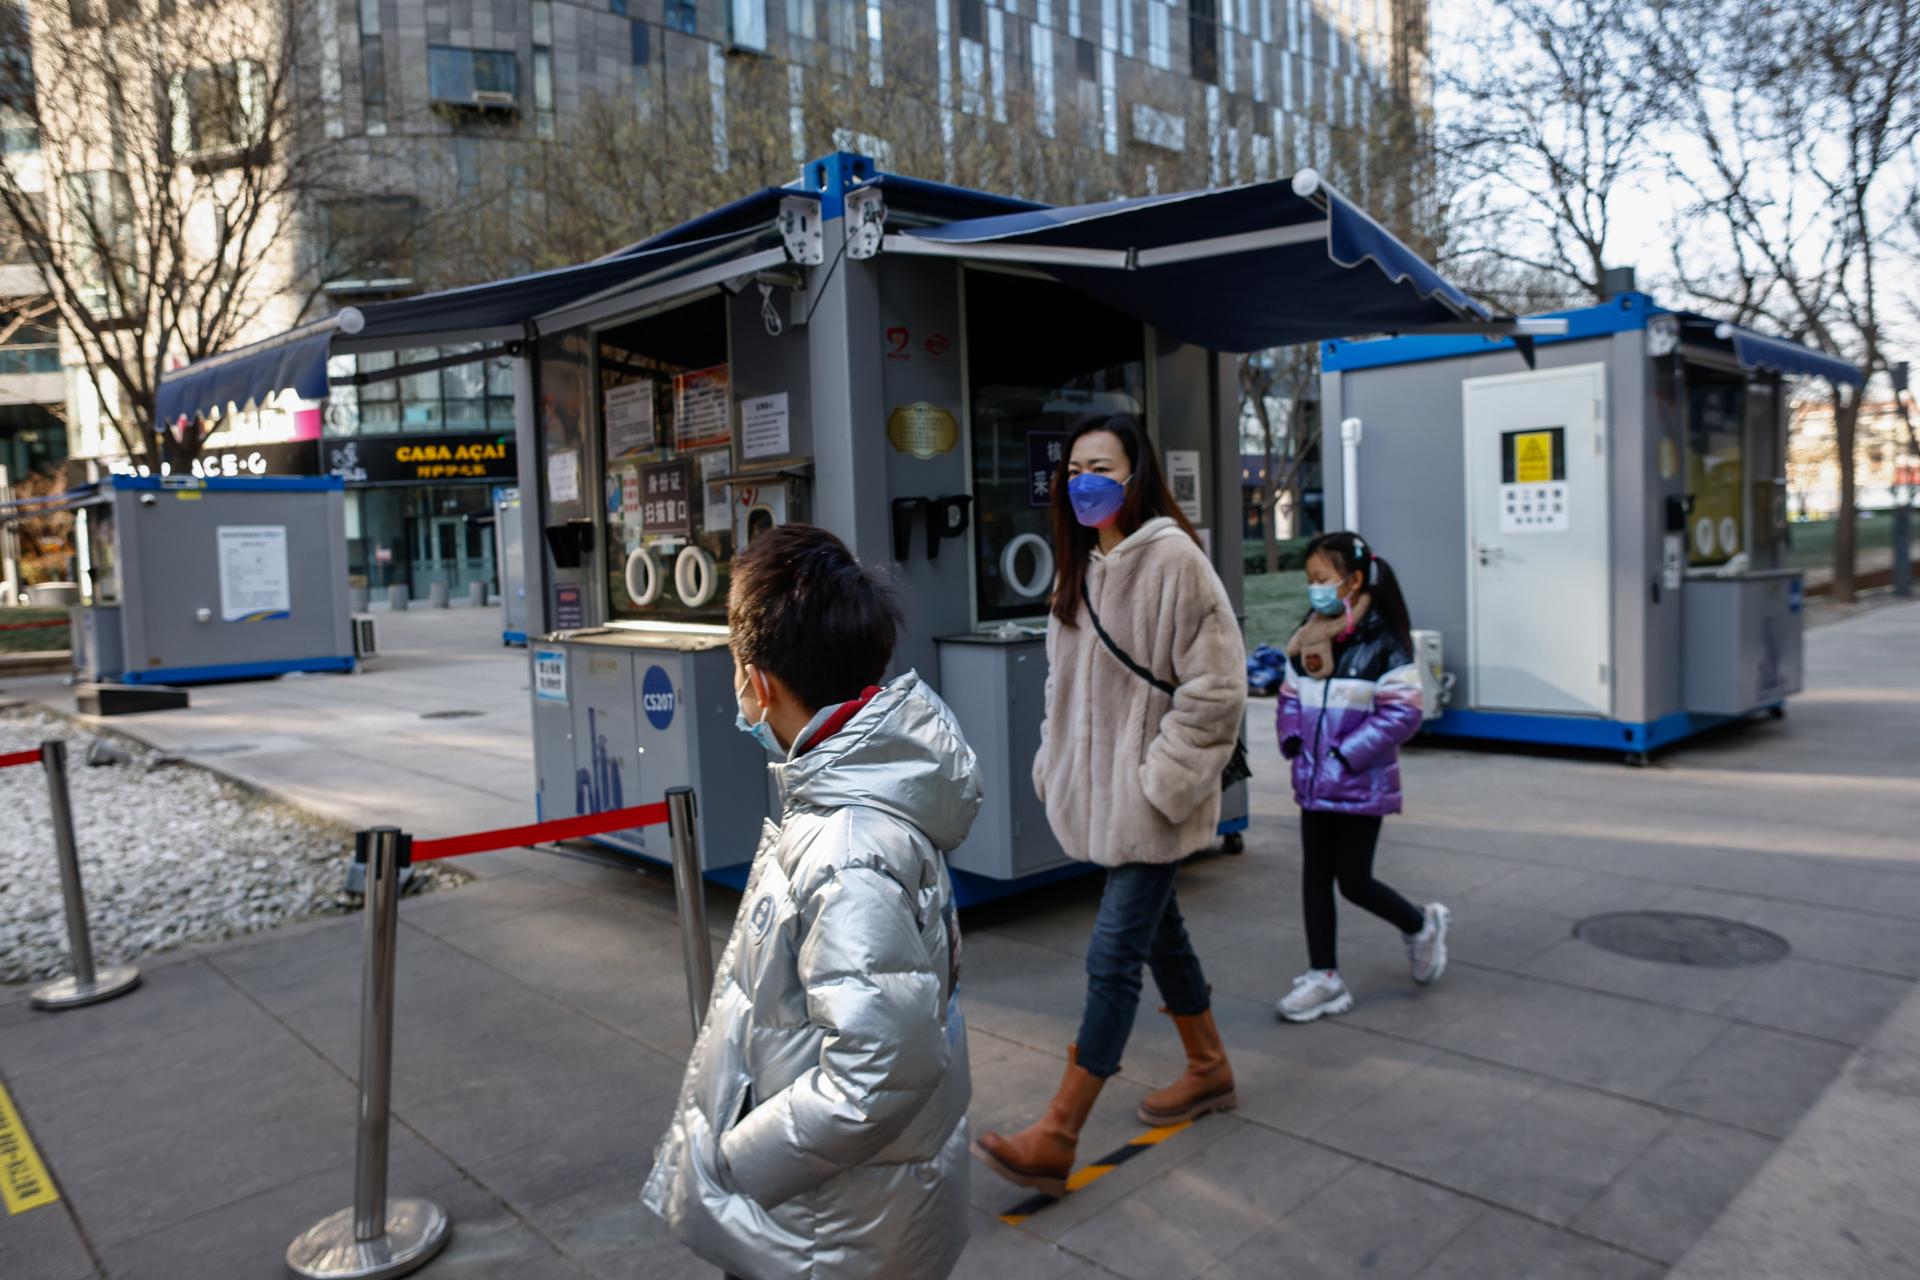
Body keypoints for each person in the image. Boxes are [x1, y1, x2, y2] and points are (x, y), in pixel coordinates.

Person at [641, 524, 981, 1280]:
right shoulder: (849, 800)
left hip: (829, 1233)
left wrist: (740, 1158)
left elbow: (878, 1072)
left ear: (758, 684)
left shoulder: (847, 844)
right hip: (847, 1211)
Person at [973, 413, 1248, 1197]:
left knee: (1112, 956)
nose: (1084, 480)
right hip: (1105, 798)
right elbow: (1063, 688)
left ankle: (1058, 1134)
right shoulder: (1081, 569)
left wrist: (1159, 783)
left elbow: (1218, 689)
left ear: (1136, 475)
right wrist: (1050, 764)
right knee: (1164, 938)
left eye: (1102, 465)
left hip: (1151, 802)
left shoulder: (1174, 561)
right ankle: (1209, 1066)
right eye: (1073, 468)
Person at [1273, 531, 1450, 1023]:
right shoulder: (1306, 638)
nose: (1315, 589)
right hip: (1313, 783)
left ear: (1351, 582)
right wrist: (1293, 739)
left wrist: (1344, 756)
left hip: (1358, 782)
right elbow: (1290, 698)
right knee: (1314, 877)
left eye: (1322, 579)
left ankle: (1420, 923)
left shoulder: (1383, 644)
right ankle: (1323, 977)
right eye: (1309, 579)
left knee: (1352, 881)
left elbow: (1403, 713)